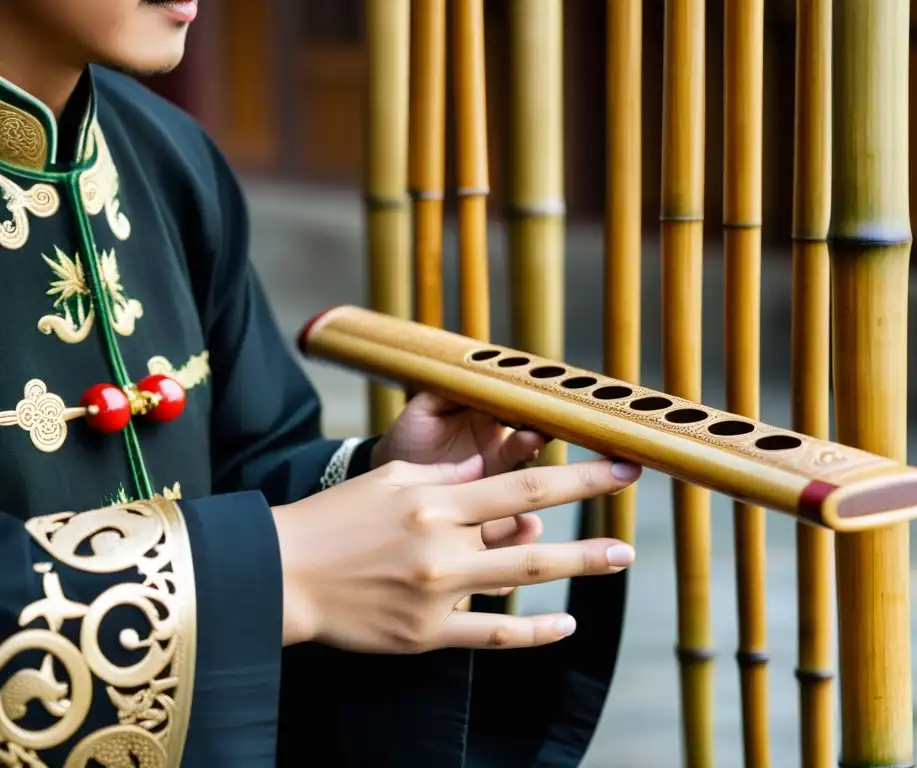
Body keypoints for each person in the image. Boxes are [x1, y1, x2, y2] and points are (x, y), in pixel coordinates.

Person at [0, 2, 640, 766]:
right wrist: (276, 570)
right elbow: (269, 556)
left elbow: (244, 458)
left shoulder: (162, 152)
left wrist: (381, 485)